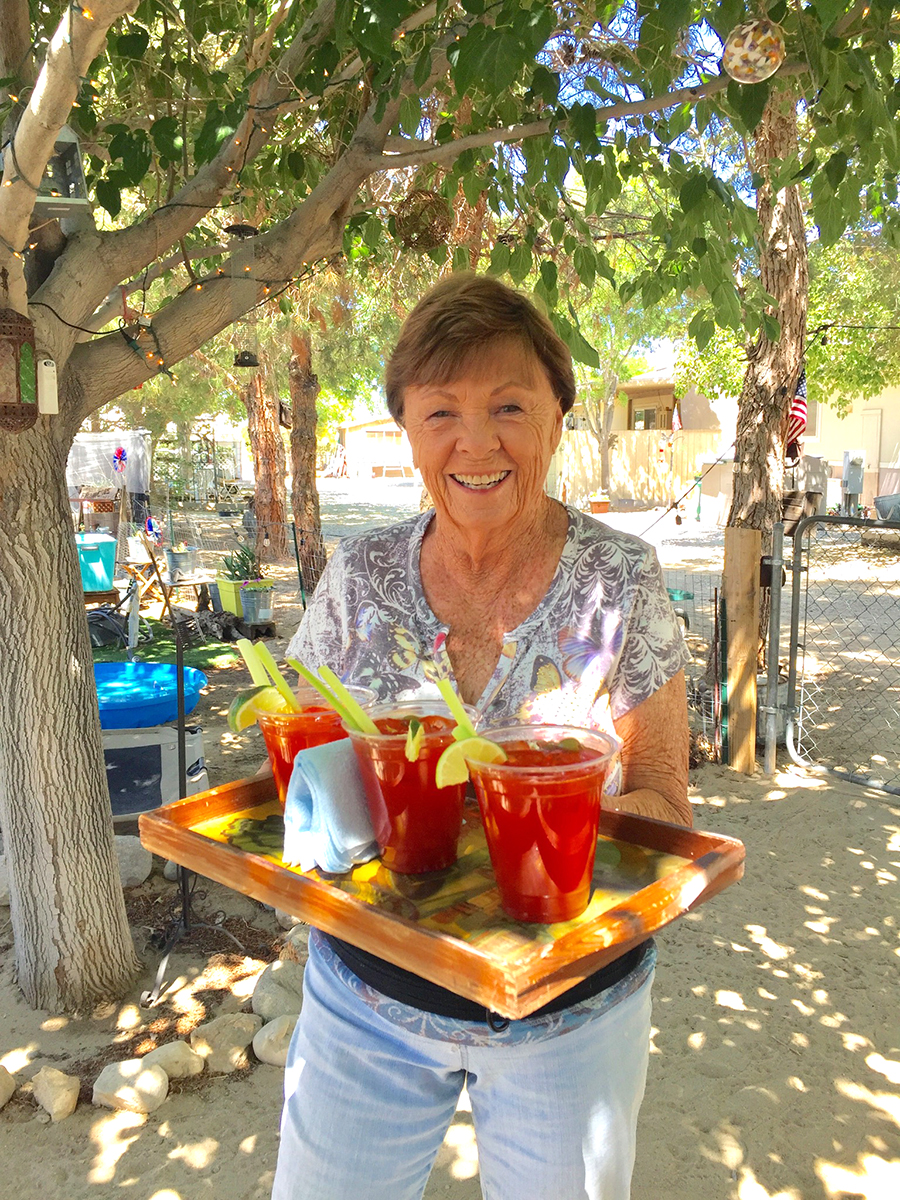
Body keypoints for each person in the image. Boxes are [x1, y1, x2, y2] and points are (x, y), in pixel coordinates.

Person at [274, 273, 690, 1200]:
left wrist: (555, 830)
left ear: (556, 418)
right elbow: (304, 771)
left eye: (509, 406)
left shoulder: (620, 578)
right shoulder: (358, 576)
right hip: (367, 999)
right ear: (408, 429)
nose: (476, 442)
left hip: (571, 1014)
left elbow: (666, 801)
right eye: (441, 412)